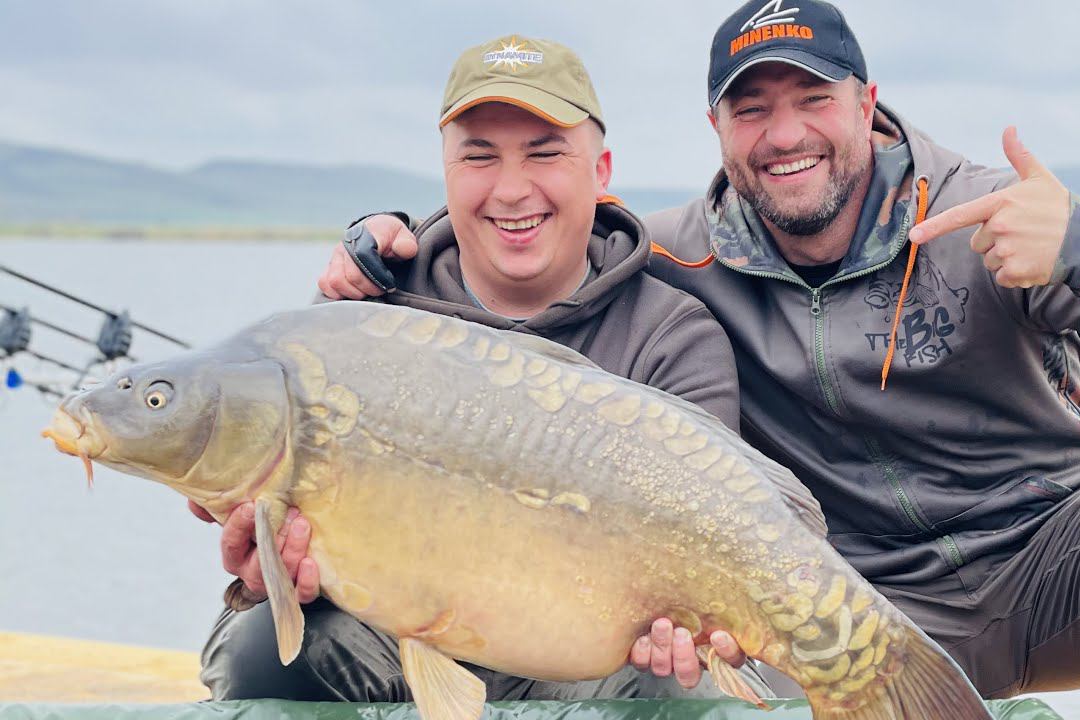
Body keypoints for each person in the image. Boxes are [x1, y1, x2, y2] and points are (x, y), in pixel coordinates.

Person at [325, 3, 1080, 718]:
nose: (783, 134)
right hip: (835, 618)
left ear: (867, 104)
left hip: (1051, 581)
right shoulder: (677, 257)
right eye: (751, 109)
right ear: (716, 129)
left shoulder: (990, 216)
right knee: (693, 678)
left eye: (812, 98)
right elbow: (542, 231)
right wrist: (390, 244)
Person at [194, 33, 807, 703]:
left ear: (600, 172)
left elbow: (717, 541)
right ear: (448, 171)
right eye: (480, 157)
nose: (512, 190)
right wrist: (264, 576)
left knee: (690, 686)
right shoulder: (363, 312)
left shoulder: (671, 335)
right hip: (390, 634)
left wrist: (697, 625)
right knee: (262, 650)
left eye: (544, 154)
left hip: (583, 652)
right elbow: (269, 522)